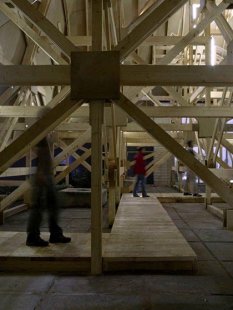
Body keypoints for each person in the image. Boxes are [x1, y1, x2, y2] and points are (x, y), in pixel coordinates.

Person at [26, 135, 71, 247]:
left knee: (52, 205)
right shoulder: (40, 131)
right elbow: (41, 153)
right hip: (43, 175)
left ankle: (54, 234)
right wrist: (41, 173)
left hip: (46, 174)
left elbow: (43, 154)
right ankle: (33, 237)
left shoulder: (44, 133)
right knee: (38, 207)